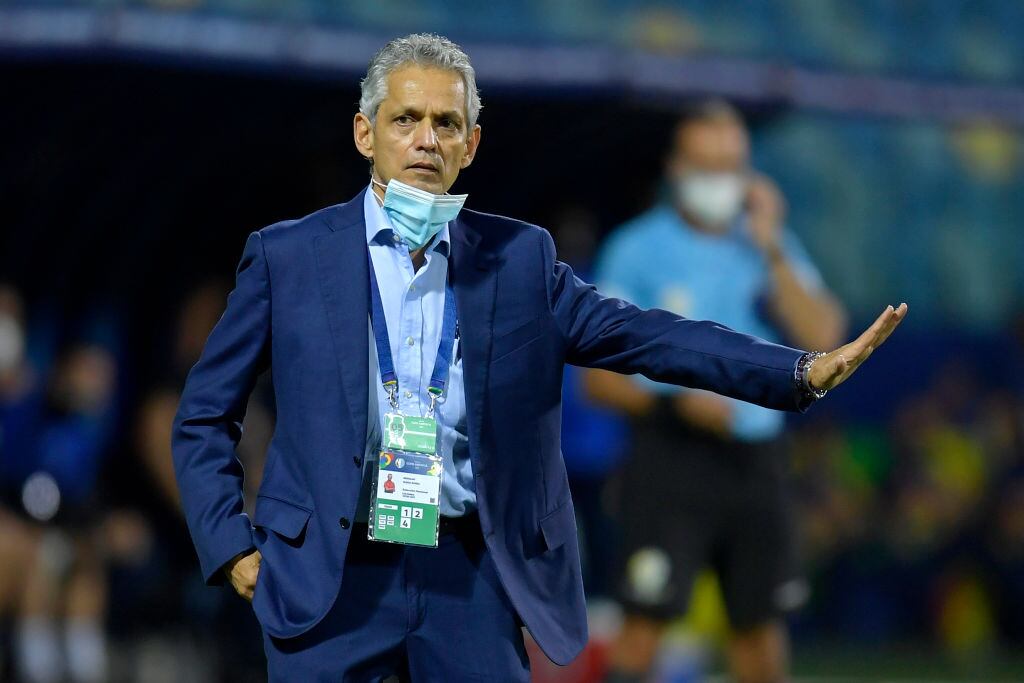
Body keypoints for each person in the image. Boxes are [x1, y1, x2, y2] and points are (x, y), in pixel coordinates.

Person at [171, 33, 906, 681]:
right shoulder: (288, 256)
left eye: (446, 122)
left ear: (471, 144)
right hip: (331, 574)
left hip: (468, 574)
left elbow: (652, 335)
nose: (426, 138)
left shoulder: (519, 261)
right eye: (406, 119)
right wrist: (232, 546)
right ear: (366, 134)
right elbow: (203, 415)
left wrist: (797, 371)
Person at [591, 100, 847, 683]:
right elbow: (597, 377)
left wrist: (773, 245)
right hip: (669, 459)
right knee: (642, 628)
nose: (718, 181)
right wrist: (673, 400)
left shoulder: (764, 247)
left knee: (760, 634)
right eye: (705, 165)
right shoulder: (635, 250)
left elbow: (825, 338)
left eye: (730, 166)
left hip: (754, 462)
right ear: (676, 168)